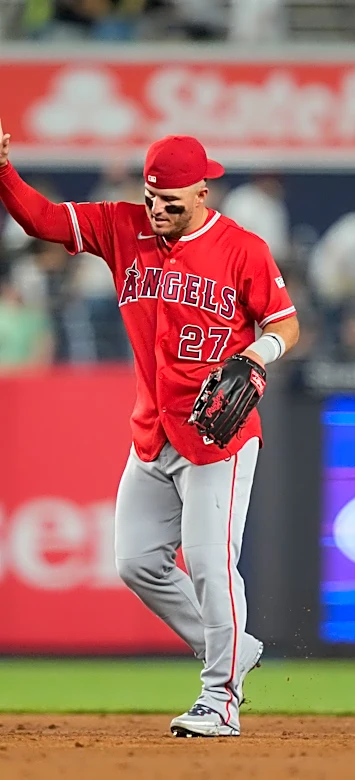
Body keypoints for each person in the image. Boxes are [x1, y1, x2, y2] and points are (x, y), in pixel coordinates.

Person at [0, 120, 299, 738]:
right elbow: (44, 220)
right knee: (136, 560)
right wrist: (3, 173)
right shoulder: (122, 225)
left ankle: (221, 696)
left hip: (220, 437)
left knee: (214, 564)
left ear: (201, 194)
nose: (156, 207)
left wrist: (256, 356)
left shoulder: (242, 248)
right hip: (154, 433)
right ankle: (234, 647)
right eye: (151, 195)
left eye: (170, 199)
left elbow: (285, 324)